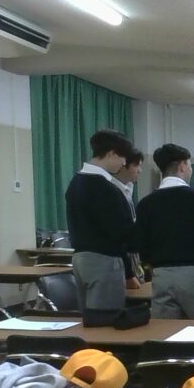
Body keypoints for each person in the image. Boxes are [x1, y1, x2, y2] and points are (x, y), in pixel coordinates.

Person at [135, 144, 194, 319]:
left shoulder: (146, 203)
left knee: (166, 331)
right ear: (182, 166)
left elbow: (141, 244)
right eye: (190, 165)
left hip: (161, 275)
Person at [65, 129, 137, 313]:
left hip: (80, 259)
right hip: (104, 260)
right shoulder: (105, 188)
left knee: (89, 317)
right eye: (123, 157)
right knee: (106, 318)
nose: (123, 163)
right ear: (111, 153)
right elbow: (121, 233)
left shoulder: (76, 182)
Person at [113, 148, 144, 288]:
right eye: (137, 165)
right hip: (122, 256)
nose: (140, 171)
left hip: (133, 254)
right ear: (123, 165)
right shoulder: (113, 191)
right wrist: (128, 274)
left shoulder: (128, 188)